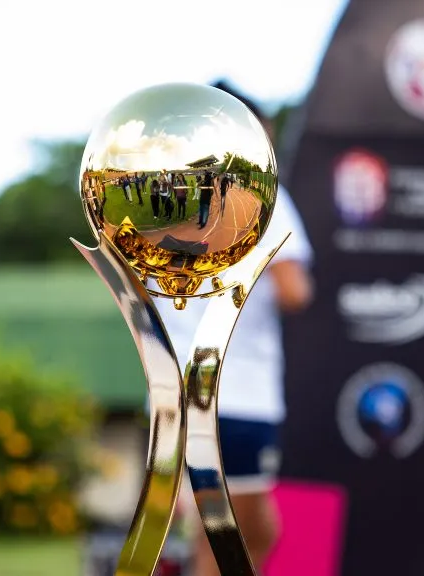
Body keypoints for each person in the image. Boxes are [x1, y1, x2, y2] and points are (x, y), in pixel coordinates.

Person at [152, 81, 315, 575]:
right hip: (237, 391)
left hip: (172, 391)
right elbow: (294, 291)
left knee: (225, 537)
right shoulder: (259, 195)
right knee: (232, 543)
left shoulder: (159, 199)